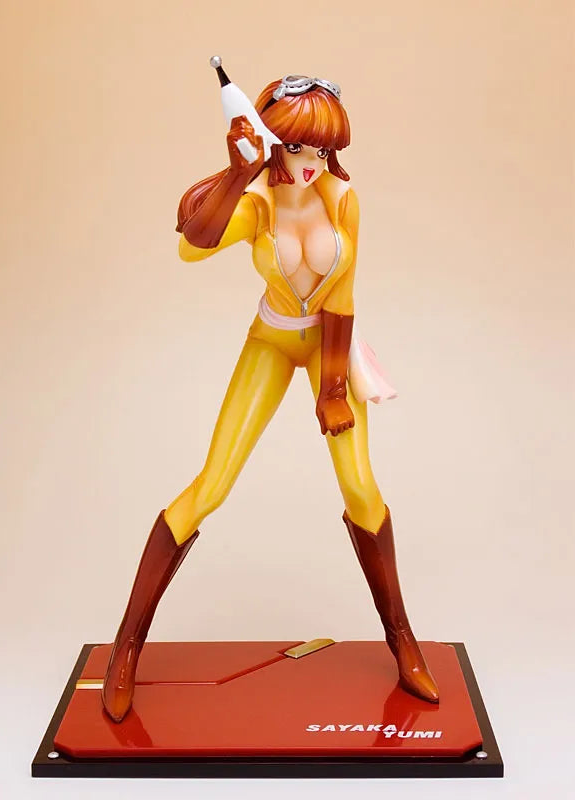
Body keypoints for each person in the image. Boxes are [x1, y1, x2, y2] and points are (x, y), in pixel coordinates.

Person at [102, 75, 439, 723]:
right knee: (212, 484)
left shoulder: (342, 199)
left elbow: (344, 295)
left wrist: (333, 390)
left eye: (322, 150)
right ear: (271, 142)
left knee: (361, 486)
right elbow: (191, 246)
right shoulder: (257, 204)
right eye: (297, 148)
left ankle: (402, 639)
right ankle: (127, 647)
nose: (311, 163)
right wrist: (236, 174)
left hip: (329, 346)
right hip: (272, 340)